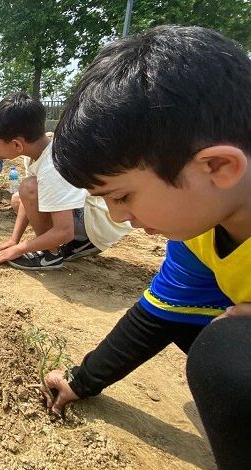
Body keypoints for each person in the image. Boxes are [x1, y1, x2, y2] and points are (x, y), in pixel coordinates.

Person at [41, 26, 251, 469]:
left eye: (122, 197)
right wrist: (82, 379)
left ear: (217, 166)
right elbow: (158, 314)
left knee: (228, 356)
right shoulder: (198, 230)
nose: (118, 218)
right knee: (198, 327)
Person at [0, 92, 131, 270]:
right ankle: (57, 246)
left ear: (17, 145)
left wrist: (19, 249)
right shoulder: (38, 152)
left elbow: (64, 231)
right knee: (19, 198)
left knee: (29, 188)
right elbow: (27, 199)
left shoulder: (52, 167)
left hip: (97, 229)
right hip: (85, 214)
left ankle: (52, 254)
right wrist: (13, 240)